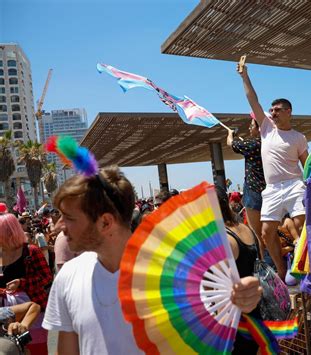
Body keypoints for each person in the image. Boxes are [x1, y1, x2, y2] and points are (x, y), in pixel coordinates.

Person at [43, 166, 262, 355]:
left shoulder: (177, 272)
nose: (59, 226)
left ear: (105, 223)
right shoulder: (68, 276)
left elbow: (219, 323)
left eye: (69, 218)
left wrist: (243, 300)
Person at [238, 63, 309, 279]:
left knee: (302, 224)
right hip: (272, 189)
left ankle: (305, 263)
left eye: (277, 110)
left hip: (294, 184)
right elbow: (253, 100)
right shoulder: (266, 128)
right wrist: (244, 76)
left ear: (289, 112)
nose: (273, 113)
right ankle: (281, 269)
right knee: (266, 233)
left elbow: (307, 164)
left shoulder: (299, 138)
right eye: (271, 110)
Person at [216, 186, 262, 354]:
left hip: (236, 319)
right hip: (257, 307)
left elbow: (222, 294)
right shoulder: (246, 228)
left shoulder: (224, 240)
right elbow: (261, 263)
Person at [0, 213, 52, 355]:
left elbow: (47, 277)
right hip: (5, 315)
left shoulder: (31, 251)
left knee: (35, 349)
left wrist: (22, 283)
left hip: (33, 313)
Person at [227, 118, 266, 252]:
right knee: (270, 231)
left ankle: (264, 263)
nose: (249, 129)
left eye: (251, 126)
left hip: (254, 190)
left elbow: (231, 143)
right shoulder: (267, 143)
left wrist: (230, 134)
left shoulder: (253, 144)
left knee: (257, 234)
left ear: (259, 128)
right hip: (270, 189)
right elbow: (246, 145)